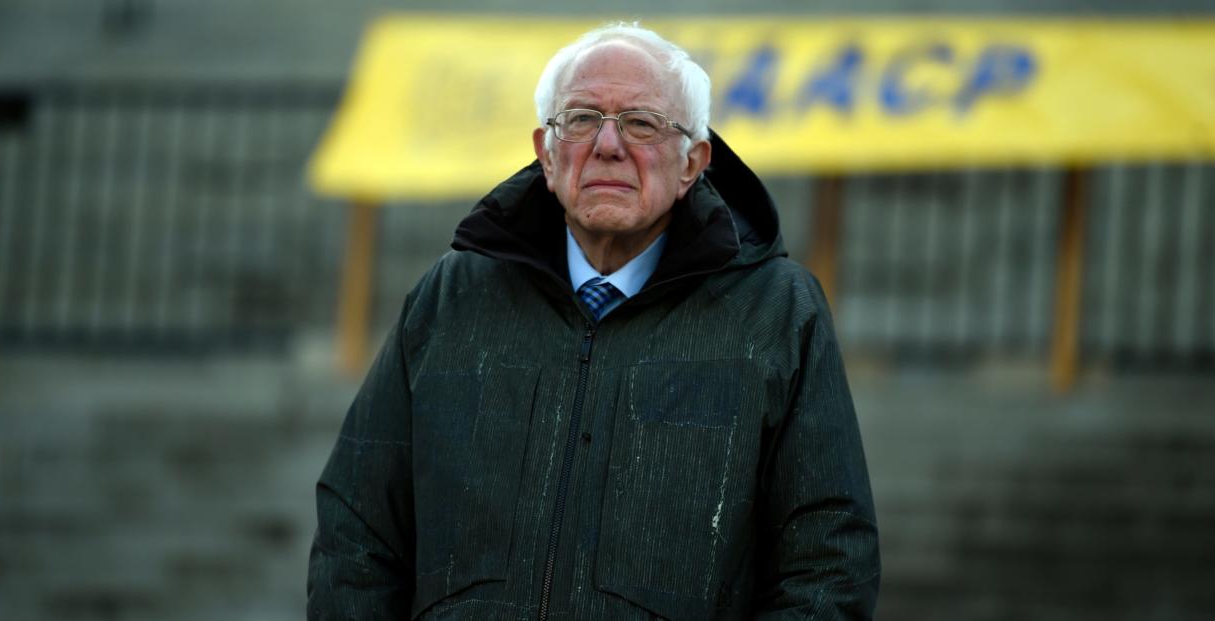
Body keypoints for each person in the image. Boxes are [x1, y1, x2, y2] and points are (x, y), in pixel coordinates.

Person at [308, 23, 879, 620]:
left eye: (641, 122)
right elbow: (357, 533)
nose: (607, 144)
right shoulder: (450, 299)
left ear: (693, 163)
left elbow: (828, 563)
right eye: (580, 119)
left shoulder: (778, 313)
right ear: (547, 154)